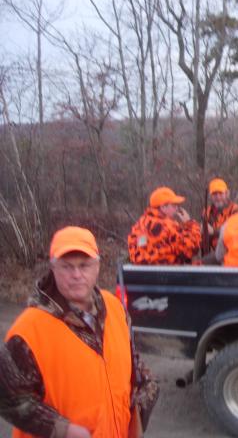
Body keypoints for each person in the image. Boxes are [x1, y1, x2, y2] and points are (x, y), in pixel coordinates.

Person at [0, 226, 158, 438]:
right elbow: (10, 397)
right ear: (53, 269)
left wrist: (144, 400)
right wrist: (61, 429)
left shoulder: (115, 308)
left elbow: (133, 365)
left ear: (97, 267)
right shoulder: (28, 329)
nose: (76, 275)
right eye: (66, 267)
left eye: (84, 265)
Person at [128, 186, 201, 264]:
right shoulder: (166, 225)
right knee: (207, 262)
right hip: (167, 269)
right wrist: (190, 224)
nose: (176, 208)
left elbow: (140, 247)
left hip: (143, 269)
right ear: (163, 207)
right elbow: (191, 248)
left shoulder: (141, 223)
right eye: (173, 205)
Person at [203, 178, 238, 252]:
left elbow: (235, 230)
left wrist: (213, 231)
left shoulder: (235, 209)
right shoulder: (206, 211)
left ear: (227, 194)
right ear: (210, 196)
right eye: (214, 194)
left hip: (231, 250)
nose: (218, 197)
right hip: (214, 250)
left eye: (220, 193)